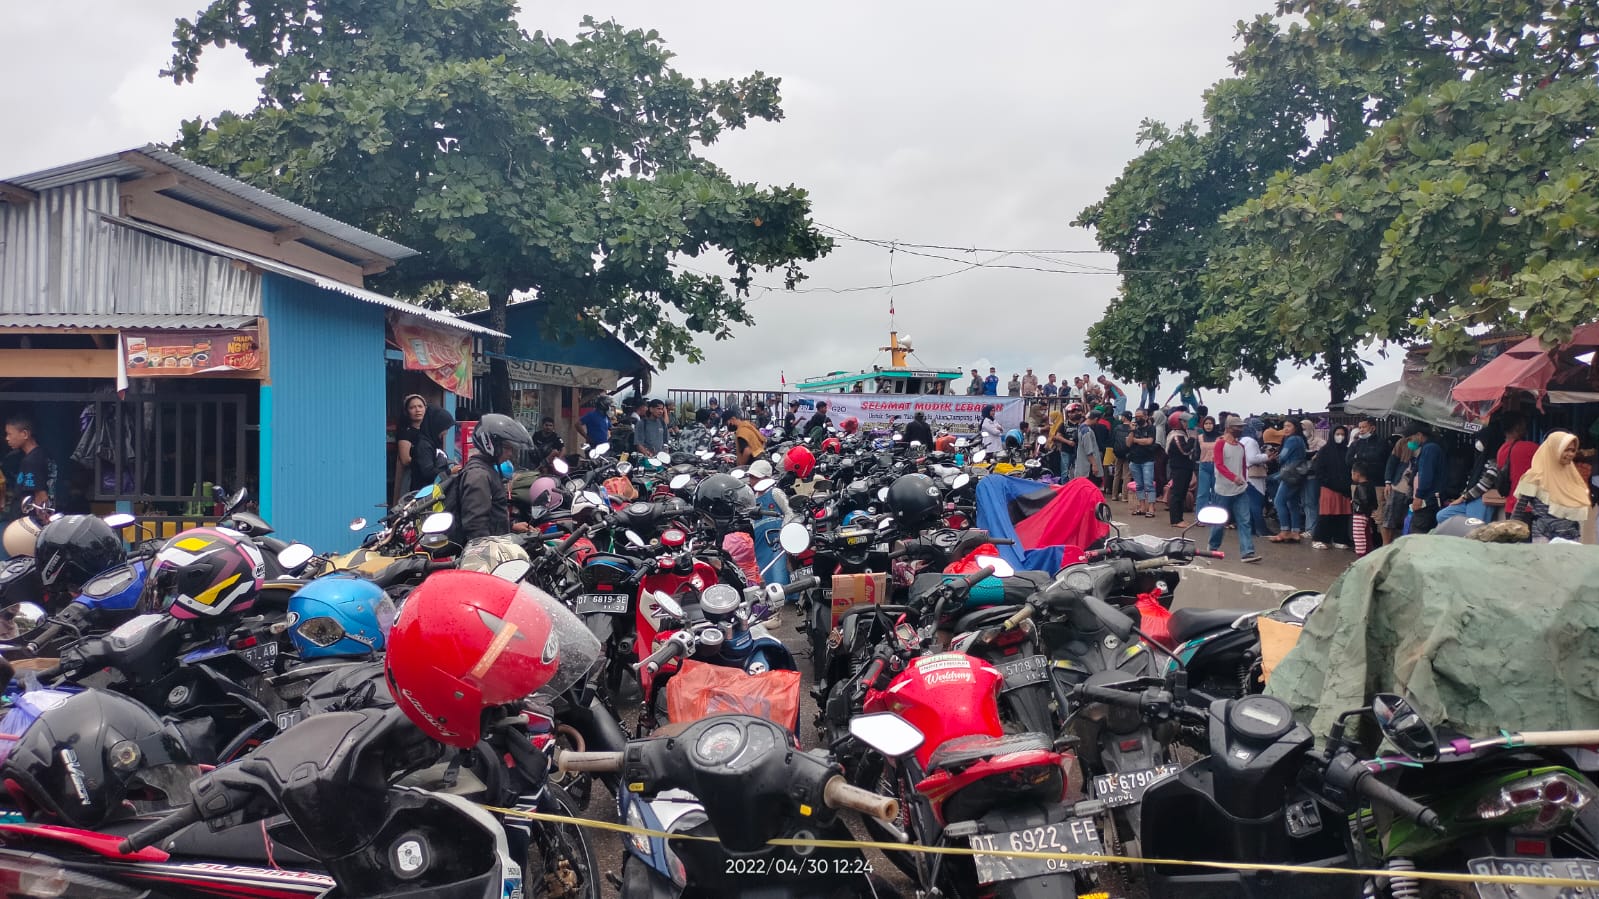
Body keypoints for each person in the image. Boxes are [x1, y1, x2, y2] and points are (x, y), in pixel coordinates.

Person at [459, 414, 535, 541]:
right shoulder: (478, 475)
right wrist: (489, 554)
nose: (510, 453)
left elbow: (492, 516)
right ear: (489, 444)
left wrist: (511, 527)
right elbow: (476, 526)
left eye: (512, 449)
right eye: (506, 448)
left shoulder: (488, 469)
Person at [1512, 431, 1590, 542]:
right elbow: (1520, 508)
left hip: (1571, 537)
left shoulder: (1572, 476)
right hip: (1543, 536)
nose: (1571, 454)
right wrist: (1510, 532)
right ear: (1553, 450)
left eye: (1573, 450)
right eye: (1566, 450)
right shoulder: (1535, 476)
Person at [1209, 418, 1262, 563]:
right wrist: (1234, 478)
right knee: (1219, 522)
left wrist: (1243, 479)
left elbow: (1243, 465)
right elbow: (1219, 465)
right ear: (1229, 428)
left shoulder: (1240, 446)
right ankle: (1212, 547)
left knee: (1244, 521)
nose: (1240, 429)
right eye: (1237, 427)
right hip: (1223, 490)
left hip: (1240, 489)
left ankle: (1247, 552)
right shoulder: (1220, 444)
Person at [1311, 425, 1354, 549]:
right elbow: (1319, 471)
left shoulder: (1347, 451)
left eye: (1342, 434)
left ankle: (1339, 539)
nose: (1340, 436)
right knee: (1327, 514)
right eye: (1337, 434)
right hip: (1329, 487)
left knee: (1343, 514)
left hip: (1344, 489)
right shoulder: (1325, 451)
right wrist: (1330, 482)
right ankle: (1319, 538)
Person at [3, 415, 52, 520]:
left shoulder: (32, 461)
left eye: (9, 434)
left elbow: (41, 497)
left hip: (27, 521)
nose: (7, 438)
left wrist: (43, 521)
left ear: (25, 434)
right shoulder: (39, 455)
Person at [1270, 420, 1308, 543]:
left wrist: (1276, 456)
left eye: (1289, 426)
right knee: (1293, 503)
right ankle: (1295, 531)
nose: (1286, 429)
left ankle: (1284, 530)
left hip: (1289, 474)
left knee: (1279, 501)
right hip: (1299, 474)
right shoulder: (1301, 440)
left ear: (1295, 427)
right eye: (1284, 426)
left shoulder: (1291, 440)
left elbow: (1283, 457)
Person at [1407, 423, 1447, 534]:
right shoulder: (1430, 448)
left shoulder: (1430, 449)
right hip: (1430, 498)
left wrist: (1419, 496)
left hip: (1427, 499)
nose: (1409, 443)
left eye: (1410, 439)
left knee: (1419, 532)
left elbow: (1426, 475)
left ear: (1419, 435)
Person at [1496, 413, 1537, 516]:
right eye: (1523, 424)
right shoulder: (1531, 448)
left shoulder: (1501, 450)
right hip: (1529, 507)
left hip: (1510, 507)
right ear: (1517, 427)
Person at [1166, 413, 1199, 527]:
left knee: (1182, 493)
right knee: (1177, 494)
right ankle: (1175, 520)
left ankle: (1179, 518)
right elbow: (1185, 451)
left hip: (1185, 468)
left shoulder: (1182, 434)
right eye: (1184, 422)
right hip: (1179, 468)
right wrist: (1192, 439)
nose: (1187, 424)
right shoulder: (1176, 436)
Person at [1381, 436, 1414, 545]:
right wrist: (1388, 482)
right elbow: (1392, 461)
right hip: (1398, 486)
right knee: (1389, 519)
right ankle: (1385, 547)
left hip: (1414, 490)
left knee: (1406, 522)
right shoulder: (1402, 443)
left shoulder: (1427, 447)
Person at [1125, 409, 1156, 516]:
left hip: (1147, 460)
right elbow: (1128, 444)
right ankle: (1142, 507)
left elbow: (1149, 441)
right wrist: (1132, 431)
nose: (1138, 418)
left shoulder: (1151, 428)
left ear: (1146, 416)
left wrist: (1136, 440)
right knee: (1139, 485)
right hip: (1134, 460)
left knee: (1149, 484)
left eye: (1140, 416)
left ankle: (1151, 508)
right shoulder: (1134, 429)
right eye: (1136, 416)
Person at [1195, 415, 1220, 512]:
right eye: (1206, 424)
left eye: (1210, 424)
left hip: (1217, 467)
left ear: (1214, 425)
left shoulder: (1220, 437)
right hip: (1204, 466)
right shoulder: (1200, 437)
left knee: (1216, 492)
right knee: (1202, 493)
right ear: (1203, 425)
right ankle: (1200, 517)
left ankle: (1216, 516)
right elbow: (1196, 454)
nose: (1208, 426)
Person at [1076, 409, 1104, 489]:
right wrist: (1094, 465)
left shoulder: (1081, 427)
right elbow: (1089, 451)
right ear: (1095, 419)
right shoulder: (1087, 431)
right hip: (1088, 467)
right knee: (1091, 487)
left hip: (1083, 463)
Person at [1110, 412, 1132, 501]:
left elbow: (1112, 440)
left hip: (1118, 453)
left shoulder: (1117, 428)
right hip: (1128, 454)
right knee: (1127, 475)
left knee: (1117, 474)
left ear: (1124, 418)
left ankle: (1114, 495)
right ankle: (1124, 496)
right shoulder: (1132, 429)